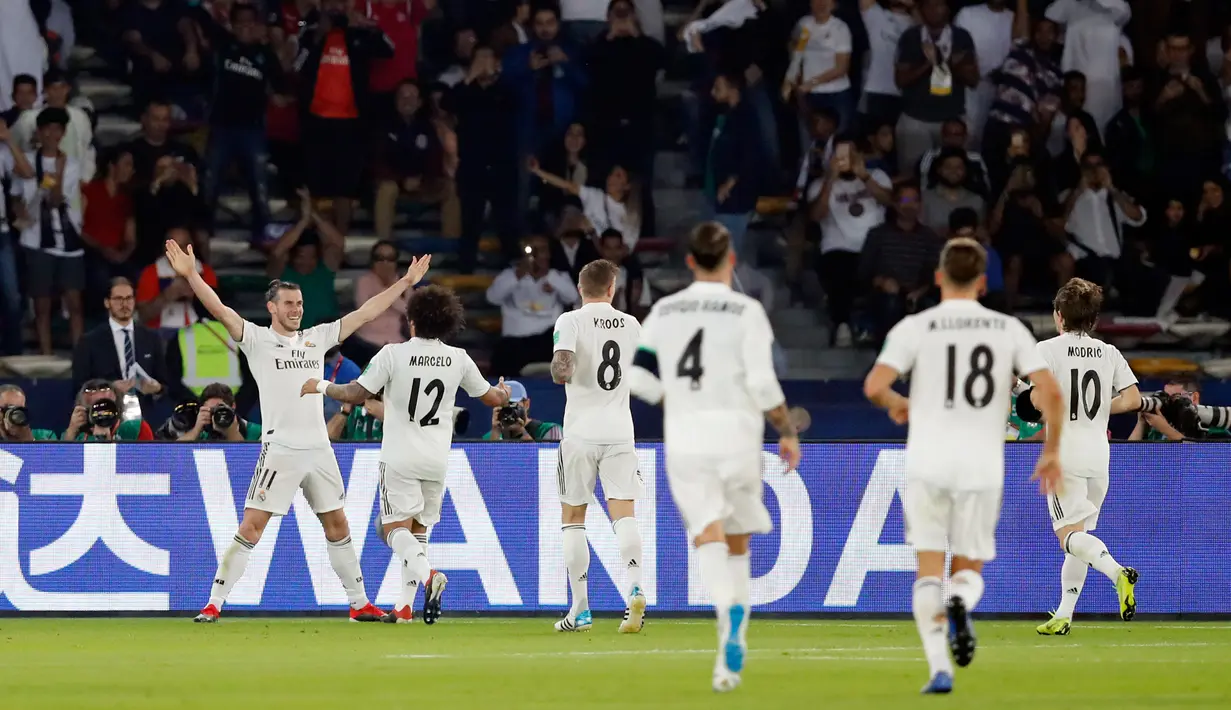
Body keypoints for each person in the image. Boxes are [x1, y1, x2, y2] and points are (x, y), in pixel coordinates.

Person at [164, 238, 432, 623]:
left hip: (319, 449)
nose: (296, 309)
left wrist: (405, 281)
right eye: (289, 304)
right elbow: (220, 310)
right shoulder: (256, 340)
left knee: (337, 524)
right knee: (252, 526)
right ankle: (214, 603)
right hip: (280, 450)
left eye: (300, 304)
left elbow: (366, 313)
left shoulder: (316, 339)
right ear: (272, 307)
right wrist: (191, 275)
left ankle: (358, 604)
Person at [862, 237, 1064, 694]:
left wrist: (900, 404)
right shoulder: (1007, 328)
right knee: (969, 567)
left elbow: (874, 385)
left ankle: (940, 669)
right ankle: (960, 600)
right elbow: (1050, 392)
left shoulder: (915, 326)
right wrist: (1051, 452)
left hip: (928, 458)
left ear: (937, 277)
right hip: (981, 460)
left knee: (928, 568)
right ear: (981, 281)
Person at [627, 222, 800, 693]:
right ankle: (733, 643)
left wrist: (673, 399)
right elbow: (764, 385)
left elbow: (636, 377)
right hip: (741, 435)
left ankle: (727, 613)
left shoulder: (665, 310)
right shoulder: (747, 311)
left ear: (688, 261)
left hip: (688, 437)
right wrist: (786, 431)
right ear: (731, 260)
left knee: (707, 534)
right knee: (739, 538)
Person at [305, 285, 511, 624]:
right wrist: (503, 393)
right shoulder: (458, 358)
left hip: (400, 455)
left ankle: (430, 576)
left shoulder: (392, 354)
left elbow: (357, 392)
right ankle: (404, 608)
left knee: (391, 529)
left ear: (411, 321)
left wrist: (320, 385)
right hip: (437, 458)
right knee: (418, 531)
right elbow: (491, 398)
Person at [1020, 278, 1140, 636]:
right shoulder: (1109, 352)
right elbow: (1133, 400)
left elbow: (1039, 403)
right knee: (1081, 536)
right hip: (1098, 456)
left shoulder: (1046, 350)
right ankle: (1064, 614)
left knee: (1067, 535)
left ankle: (1117, 571)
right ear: (1094, 319)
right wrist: (1101, 410)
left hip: (1064, 453)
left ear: (1059, 316)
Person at [549, 259, 646, 634]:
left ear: (579, 288)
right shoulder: (632, 324)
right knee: (623, 513)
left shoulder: (569, 321)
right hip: (621, 430)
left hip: (581, 433)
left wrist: (566, 368)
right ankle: (635, 586)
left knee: (573, 518)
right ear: (612, 289)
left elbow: (561, 369)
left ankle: (581, 609)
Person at [11, 107, 85, 355]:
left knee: (74, 302)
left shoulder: (72, 164)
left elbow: (56, 200)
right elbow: (16, 196)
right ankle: (46, 356)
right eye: (48, 129)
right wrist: (19, 209)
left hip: (67, 239)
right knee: (42, 304)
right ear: (40, 133)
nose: (53, 134)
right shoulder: (27, 161)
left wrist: (60, 172)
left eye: (58, 129)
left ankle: (78, 356)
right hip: (36, 239)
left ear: (63, 133)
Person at [72, 277, 168, 411]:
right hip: (105, 413)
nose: (124, 304)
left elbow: (165, 384)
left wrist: (157, 388)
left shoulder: (151, 338)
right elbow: (79, 386)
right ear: (107, 302)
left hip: (144, 415)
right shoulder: (89, 341)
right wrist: (109, 388)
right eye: (118, 299)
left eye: (129, 298)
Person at [63, 379, 157, 441]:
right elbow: (60, 467)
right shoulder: (77, 435)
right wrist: (71, 432)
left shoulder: (136, 429)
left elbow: (147, 466)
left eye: (105, 405)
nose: (101, 413)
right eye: (96, 407)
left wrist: (107, 444)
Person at [171, 382, 262, 442]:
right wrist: (196, 429)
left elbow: (247, 460)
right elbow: (176, 454)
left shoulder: (256, 432)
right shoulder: (201, 434)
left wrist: (231, 432)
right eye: (211, 410)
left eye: (220, 408)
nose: (216, 415)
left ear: (233, 406)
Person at [482, 380, 563, 441]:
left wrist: (521, 432)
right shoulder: (489, 437)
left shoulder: (550, 430)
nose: (509, 411)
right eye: (504, 407)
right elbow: (488, 463)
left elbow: (549, 461)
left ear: (526, 404)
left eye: (512, 404)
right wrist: (495, 435)